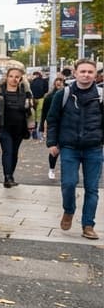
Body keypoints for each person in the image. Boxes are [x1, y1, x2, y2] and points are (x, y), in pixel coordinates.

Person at [43, 58, 103, 240]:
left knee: (92, 188)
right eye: (83, 71)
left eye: (90, 72)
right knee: (69, 183)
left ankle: (88, 225)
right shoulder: (63, 94)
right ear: (75, 73)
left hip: (94, 148)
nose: (86, 75)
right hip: (69, 147)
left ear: (95, 75)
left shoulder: (101, 96)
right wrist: (52, 143)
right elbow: (52, 120)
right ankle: (68, 210)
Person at [0, 67, 34, 188]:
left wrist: (31, 121)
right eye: (11, 76)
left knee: (14, 152)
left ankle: (11, 175)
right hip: (4, 127)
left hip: (19, 128)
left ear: (21, 79)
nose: (14, 79)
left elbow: (30, 109)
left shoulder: (25, 93)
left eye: (17, 77)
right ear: (7, 77)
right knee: (8, 151)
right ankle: (7, 177)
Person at [40, 75, 66, 179]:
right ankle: (51, 169)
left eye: (61, 81)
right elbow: (45, 113)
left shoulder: (68, 95)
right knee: (54, 150)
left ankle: (65, 171)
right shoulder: (49, 97)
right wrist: (43, 128)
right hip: (53, 125)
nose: (59, 83)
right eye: (57, 81)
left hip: (65, 126)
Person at [29, 70, 49, 139]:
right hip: (41, 99)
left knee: (33, 116)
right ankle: (39, 133)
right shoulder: (44, 81)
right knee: (40, 117)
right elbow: (46, 90)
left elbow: (30, 91)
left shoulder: (32, 82)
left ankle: (33, 134)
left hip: (33, 99)